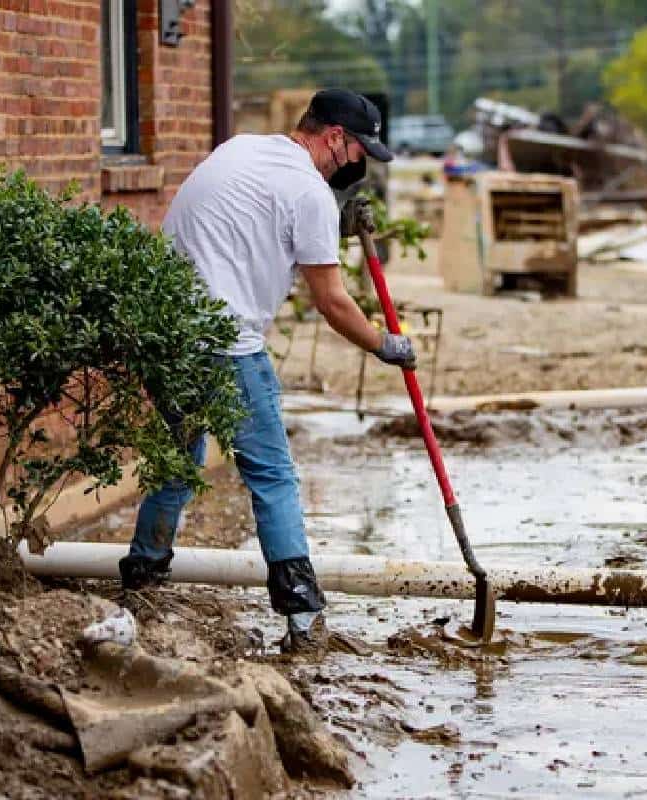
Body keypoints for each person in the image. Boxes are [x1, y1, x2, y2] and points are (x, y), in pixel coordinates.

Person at [118, 89, 415, 653]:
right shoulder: (308, 191)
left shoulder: (241, 149)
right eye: (357, 152)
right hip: (226, 348)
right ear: (333, 138)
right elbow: (331, 302)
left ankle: (143, 581)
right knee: (273, 477)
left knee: (177, 464)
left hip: (167, 337)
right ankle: (303, 615)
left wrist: (329, 226)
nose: (357, 165)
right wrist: (385, 346)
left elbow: (249, 227)